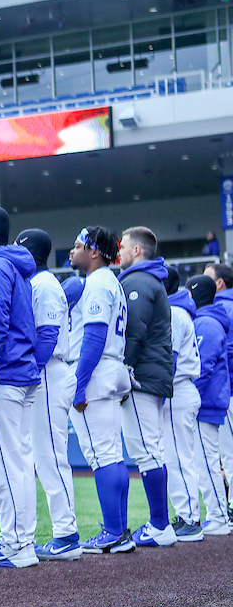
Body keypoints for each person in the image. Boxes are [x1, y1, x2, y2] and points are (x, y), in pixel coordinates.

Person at [0, 208, 40, 568]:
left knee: (4, 463)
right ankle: (22, 539)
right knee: (18, 460)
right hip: (22, 370)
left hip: (6, 373)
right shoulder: (15, 266)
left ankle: (17, 542)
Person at [67, 227, 134, 554]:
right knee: (112, 454)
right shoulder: (112, 282)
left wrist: (79, 385)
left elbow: (93, 336)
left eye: (78, 245)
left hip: (95, 370)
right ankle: (119, 530)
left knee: (101, 455)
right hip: (111, 367)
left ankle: (113, 531)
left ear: (94, 252)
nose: (72, 251)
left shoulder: (96, 283)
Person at [15, 230, 80, 561]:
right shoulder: (36, 283)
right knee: (43, 455)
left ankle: (67, 534)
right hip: (44, 372)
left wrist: (31, 371)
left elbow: (49, 334)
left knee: (51, 455)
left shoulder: (44, 284)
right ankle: (62, 532)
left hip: (49, 371)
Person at [116, 226, 176, 548]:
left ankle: (159, 525)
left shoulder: (139, 280)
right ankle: (160, 523)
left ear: (137, 250)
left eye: (123, 246)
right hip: (153, 375)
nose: (119, 251)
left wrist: (124, 369)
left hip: (142, 376)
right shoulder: (149, 278)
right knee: (151, 449)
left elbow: (135, 331)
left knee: (146, 450)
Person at [185, 275, 230, 536]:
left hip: (206, 404)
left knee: (207, 463)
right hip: (208, 402)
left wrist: (191, 398)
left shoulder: (207, 323)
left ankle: (219, 517)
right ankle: (217, 515)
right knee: (206, 461)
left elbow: (201, 368)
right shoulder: (206, 320)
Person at [160, 267, 202, 542]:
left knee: (178, 458)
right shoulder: (177, 311)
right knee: (176, 457)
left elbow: (170, 360)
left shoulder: (174, 313)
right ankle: (187, 515)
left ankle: (189, 519)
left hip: (178, 389)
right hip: (180, 390)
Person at [203, 260, 233, 526]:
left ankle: (229, 510)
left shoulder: (222, 307)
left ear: (219, 283)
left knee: (228, 454)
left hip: (229, 391)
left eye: (207, 278)